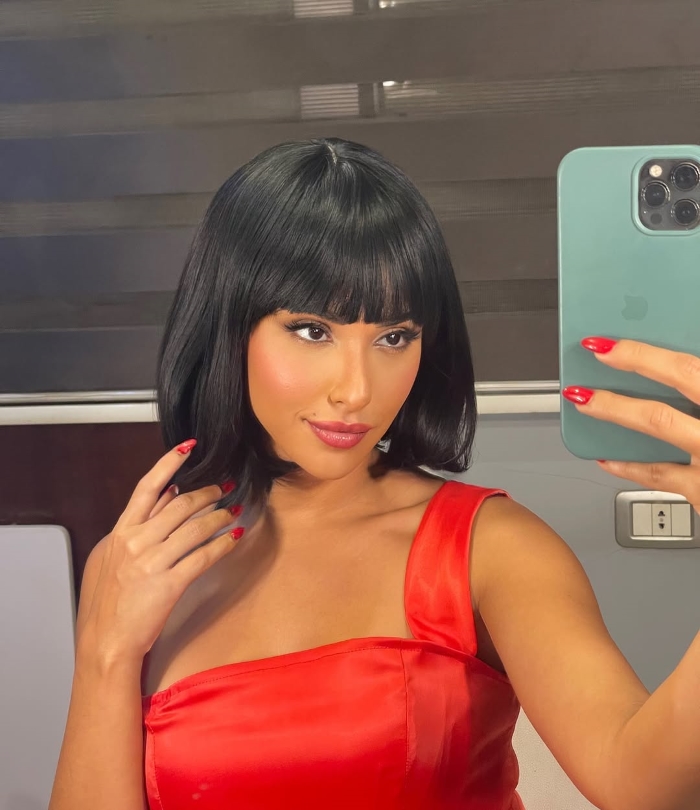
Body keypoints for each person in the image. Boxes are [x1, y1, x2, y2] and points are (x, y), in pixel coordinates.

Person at [49, 138, 700, 810]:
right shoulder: (138, 562)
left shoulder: (492, 549)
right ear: (228, 326)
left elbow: (644, 789)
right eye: (312, 331)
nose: (357, 390)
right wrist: (105, 654)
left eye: (394, 337)